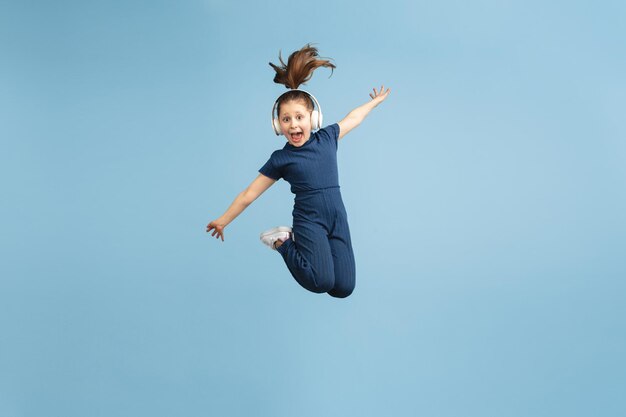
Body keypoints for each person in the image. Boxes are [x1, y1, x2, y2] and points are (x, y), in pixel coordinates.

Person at [206, 44, 390, 298]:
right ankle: (283, 242)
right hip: (309, 219)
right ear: (277, 125)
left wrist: (374, 103)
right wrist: (223, 220)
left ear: (313, 119)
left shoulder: (327, 138)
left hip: (337, 216)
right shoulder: (281, 159)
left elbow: (353, 118)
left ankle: (299, 249)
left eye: (299, 117)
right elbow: (250, 193)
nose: (294, 124)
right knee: (320, 282)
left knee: (343, 288)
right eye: (286, 119)